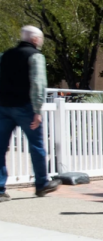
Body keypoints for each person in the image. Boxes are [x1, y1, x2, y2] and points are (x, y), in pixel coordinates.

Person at [0, 26, 59, 200]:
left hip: (3, 106)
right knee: (36, 146)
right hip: (25, 107)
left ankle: (0, 189)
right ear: (34, 39)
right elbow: (38, 83)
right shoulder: (35, 56)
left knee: (0, 148)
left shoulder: (5, 55)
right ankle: (41, 184)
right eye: (40, 39)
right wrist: (37, 110)